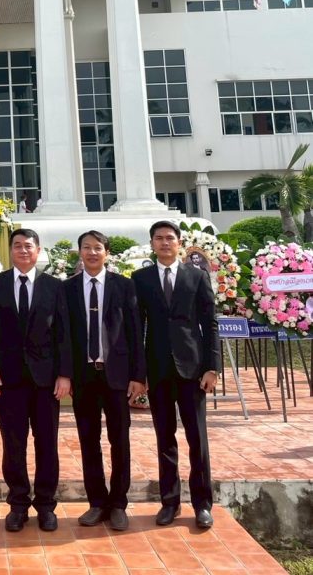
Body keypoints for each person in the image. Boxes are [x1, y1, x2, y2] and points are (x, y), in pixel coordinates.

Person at [0, 227, 72, 533]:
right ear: (10, 250)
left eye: (28, 246)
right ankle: (18, 504)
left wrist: (64, 374)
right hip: (9, 379)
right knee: (13, 444)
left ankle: (46, 505)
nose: (23, 250)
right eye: (17, 245)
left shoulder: (54, 286)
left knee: (46, 443)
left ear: (38, 250)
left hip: (46, 380)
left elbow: (63, 332)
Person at [133, 220, 220, 529]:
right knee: (165, 438)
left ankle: (202, 504)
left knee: (197, 438)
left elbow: (210, 323)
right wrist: (139, 373)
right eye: (159, 238)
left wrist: (212, 367)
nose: (165, 242)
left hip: (192, 369)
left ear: (179, 242)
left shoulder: (196, 276)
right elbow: (136, 328)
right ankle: (169, 502)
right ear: (152, 243)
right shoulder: (140, 279)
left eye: (170, 237)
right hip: (158, 369)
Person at [63, 230, 146, 531]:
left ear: (107, 253)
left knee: (119, 440)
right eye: (86, 247)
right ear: (79, 252)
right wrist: (65, 374)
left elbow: (136, 332)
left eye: (97, 248)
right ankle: (97, 502)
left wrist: (138, 376)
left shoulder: (124, 286)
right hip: (83, 377)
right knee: (89, 442)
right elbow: (63, 336)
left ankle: (118, 503)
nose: (92, 252)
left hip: (118, 377)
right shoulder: (68, 288)